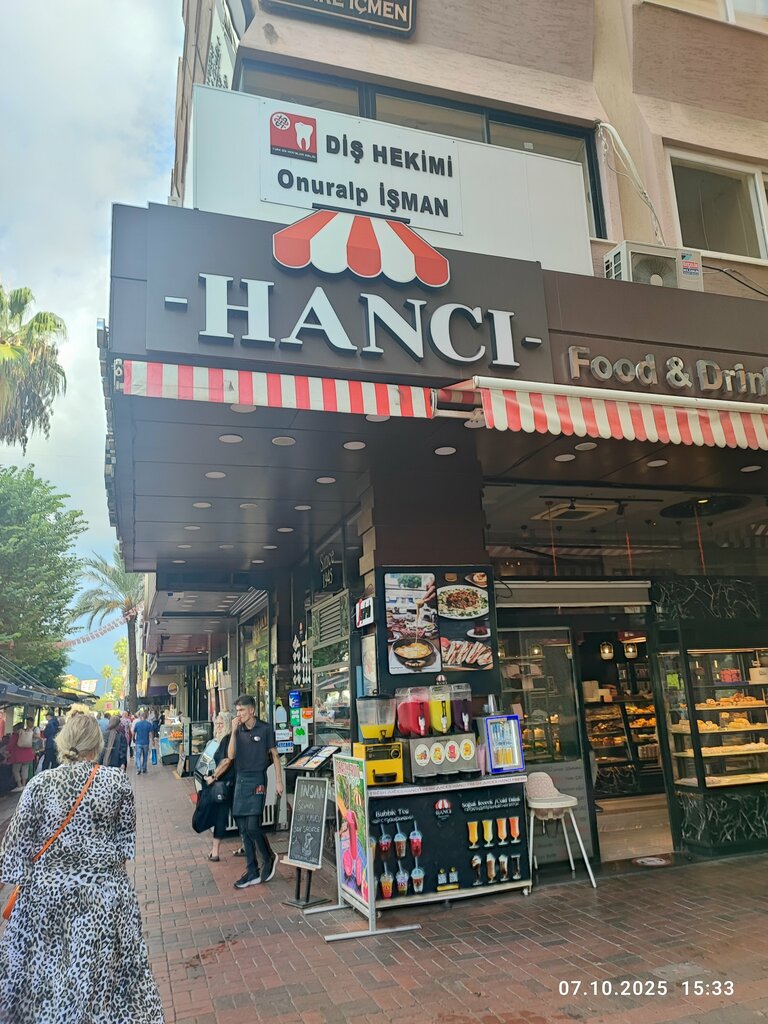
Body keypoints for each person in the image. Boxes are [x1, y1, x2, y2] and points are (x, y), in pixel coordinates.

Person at [0, 714, 164, 1024]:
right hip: (104, 895)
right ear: (96, 744)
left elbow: (15, 852)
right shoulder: (115, 781)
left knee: (53, 972)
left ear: (63, 742)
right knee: (102, 972)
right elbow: (125, 843)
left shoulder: (39, 784)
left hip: (48, 896)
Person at [227, 694, 283, 888]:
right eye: (237, 711)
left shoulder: (266, 729)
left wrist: (278, 781)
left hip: (258, 778)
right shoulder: (237, 730)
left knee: (252, 825)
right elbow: (231, 755)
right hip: (241, 778)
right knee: (242, 828)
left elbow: (275, 755)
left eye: (242, 710)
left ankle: (268, 856)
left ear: (252, 710)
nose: (239, 714)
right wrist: (233, 731)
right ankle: (252, 870)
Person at [204, 712, 235, 862]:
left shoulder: (227, 740)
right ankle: (216, 850)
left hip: (226, 783)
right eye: (217, 723)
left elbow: (227, 761)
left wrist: (214, 777)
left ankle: (215, 851)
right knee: (236, 816)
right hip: (227, 783)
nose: (218, 726)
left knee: (222, 817)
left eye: (221, 724)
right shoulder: (220, 740)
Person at [7, 722, 35, 790]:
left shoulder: (16, 735)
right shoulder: (27, 734)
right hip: (28, 755)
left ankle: (19, 785)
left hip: (18, 756)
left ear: (16, 728)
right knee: (25, 769)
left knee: (16, 770)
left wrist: (7, 750)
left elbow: (11, 745)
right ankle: (24, 784)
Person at [132, 710, 153, 775]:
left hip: (138, 742)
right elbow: (151, 733)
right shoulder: (149, 724)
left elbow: (134, 732)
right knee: (145, 756)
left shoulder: (137, 724)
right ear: (146, 717)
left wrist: (133, 739)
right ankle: (144, 769)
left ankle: (138, 768)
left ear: (141, 717)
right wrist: (153, 740)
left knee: (138, 756)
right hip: (146, 742)